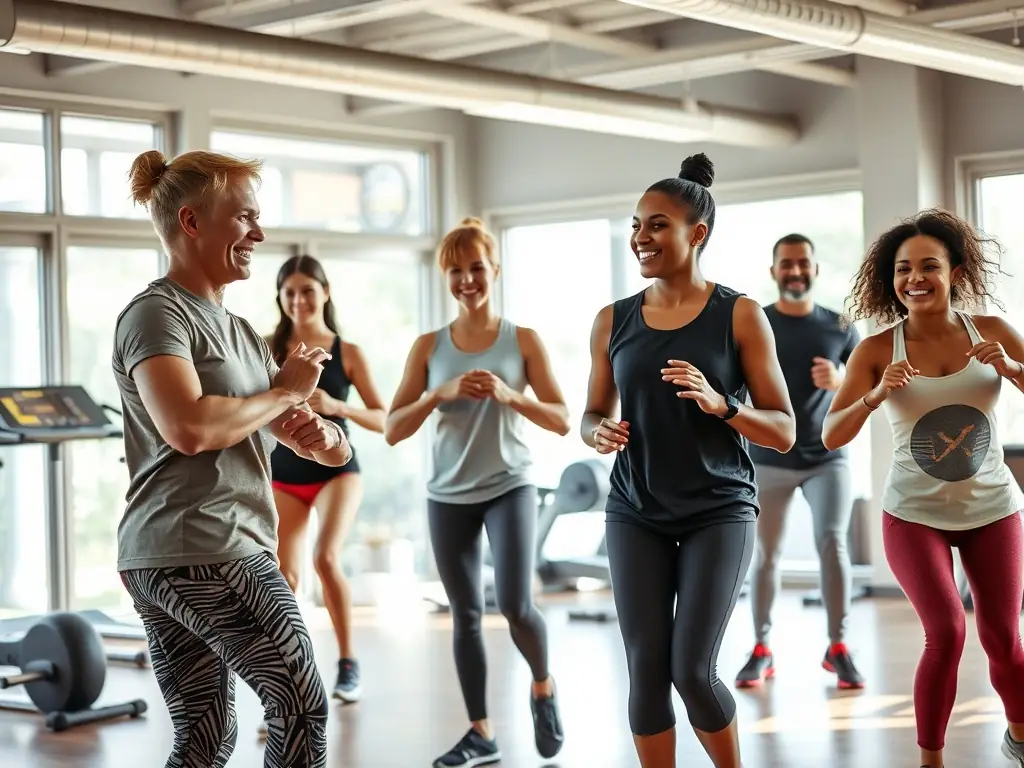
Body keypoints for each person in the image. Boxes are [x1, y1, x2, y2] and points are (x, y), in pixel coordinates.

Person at [113, 149, 352, 768]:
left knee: (206, 737)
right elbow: (188, 427)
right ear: (192, 223)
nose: (259, 233)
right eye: (244, 217)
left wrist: (321, 437)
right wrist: (283, 393)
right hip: (207, 547)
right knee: (300, 706)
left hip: (187, 551)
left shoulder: (239, 330)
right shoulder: (155, 315)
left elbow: (288, 424)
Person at [581, 153, 796, 768]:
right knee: (645, 670)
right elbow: (591, 412)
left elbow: (783, 429)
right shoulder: (612, 319)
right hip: (635, 508)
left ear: (696, 234)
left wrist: (722, 404)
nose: (640, 237)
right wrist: (597, 433)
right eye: (636, 224)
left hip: (717, 509)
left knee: (692, 670)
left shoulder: (740, 314)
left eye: (656, 225)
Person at [822, 209, 1024, 768]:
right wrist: (872, 395)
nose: (915, 278)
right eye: (903, 269)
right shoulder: (875, 350)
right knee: (947, 632)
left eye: (929, 266)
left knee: (1004, 638)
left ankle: (1020, 735)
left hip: (993, 509)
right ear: (891, 280)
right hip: (913, 515)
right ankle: (929, 761)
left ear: (955, 271)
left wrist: (1011, 368)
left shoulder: (994, 333)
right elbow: (830, 433)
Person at [384, 217, 568, 768]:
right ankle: (480, 733)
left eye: (476, 269)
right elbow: (393, 427)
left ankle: (542, 684)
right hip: (447, 494)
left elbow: (561, 418)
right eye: (456, 271)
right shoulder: (428, 347)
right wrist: (437, 393)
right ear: (446, 276)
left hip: (510, 485)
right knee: (464, 614)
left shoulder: (523, 340)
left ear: (495, 270)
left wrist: (512, 396)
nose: (467, 280)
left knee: (513, 605)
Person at [735, 233, 865, 691]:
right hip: (769, 456)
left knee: (833, 541)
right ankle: (761, 648)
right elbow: (733, 387)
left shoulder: (841, 327)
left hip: (827, 455)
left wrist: (841, 378)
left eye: (802, 263)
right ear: (774, 271)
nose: (795, 270)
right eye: (786, 263)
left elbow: (868, 387)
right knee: (765, 554)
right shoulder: (756, 324)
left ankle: (838, 647)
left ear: (814, 269)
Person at [268, 254, 387, 705]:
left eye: (307, 291)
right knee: (284, 575)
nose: (299, 300)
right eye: (290, 292)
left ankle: (348, 662)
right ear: (280, 298)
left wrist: (338, 407)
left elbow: (384, 419)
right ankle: (290, 676)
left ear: (325, 292)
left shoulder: (348, 352)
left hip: (337, 470)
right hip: (284, 473)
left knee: (326, 558)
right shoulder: (268, 346)